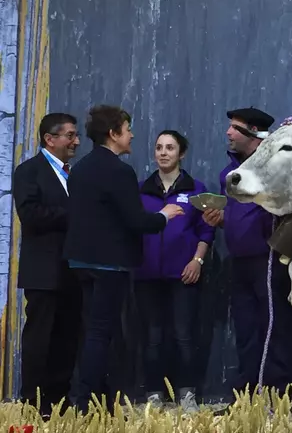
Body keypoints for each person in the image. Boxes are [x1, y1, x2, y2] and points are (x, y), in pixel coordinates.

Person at [63, 105, 184, 414]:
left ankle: (95, 399)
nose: (131, 135)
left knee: (91, 331)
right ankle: (86, 403)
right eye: (127, 129)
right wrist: (164, 216)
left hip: (80, 262)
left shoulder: (80, 168)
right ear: (113, 134)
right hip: (109, 265)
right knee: (102, 333)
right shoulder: (119, 171)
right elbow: (136, 221)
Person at [202, 107, 292, 399]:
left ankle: (278, 394)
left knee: (272, 325)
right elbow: (235, 213)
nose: (228, 133)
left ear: (253, 134)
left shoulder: (273, 167)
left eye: (235, 127)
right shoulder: (229, 172)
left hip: (267, 257)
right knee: (245, 329)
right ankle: (247, 394)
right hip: (239, 259)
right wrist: (220, 219)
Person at [134, 129, 215, 412]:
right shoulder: (141, 189)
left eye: (170, 148)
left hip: (184, 274)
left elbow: (207, 230)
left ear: (181, 153)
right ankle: (154, 394)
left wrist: (197, 261)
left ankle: (187, 394)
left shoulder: (196, 189)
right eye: (159, 147)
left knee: (184, 335)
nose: (163, 153)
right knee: (152, 337)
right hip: (147, 275)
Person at [12, 113, 83, 417]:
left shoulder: (76, 175)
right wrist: (76, 214)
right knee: (40, 336)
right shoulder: (28, 171)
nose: (76, 142)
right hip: (43, 270)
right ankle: (33, 401)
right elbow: (31, 215)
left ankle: (60, 399)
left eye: (76, 135)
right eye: (69, 135)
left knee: (68, 336)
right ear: (49, 139)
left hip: (74, 268)